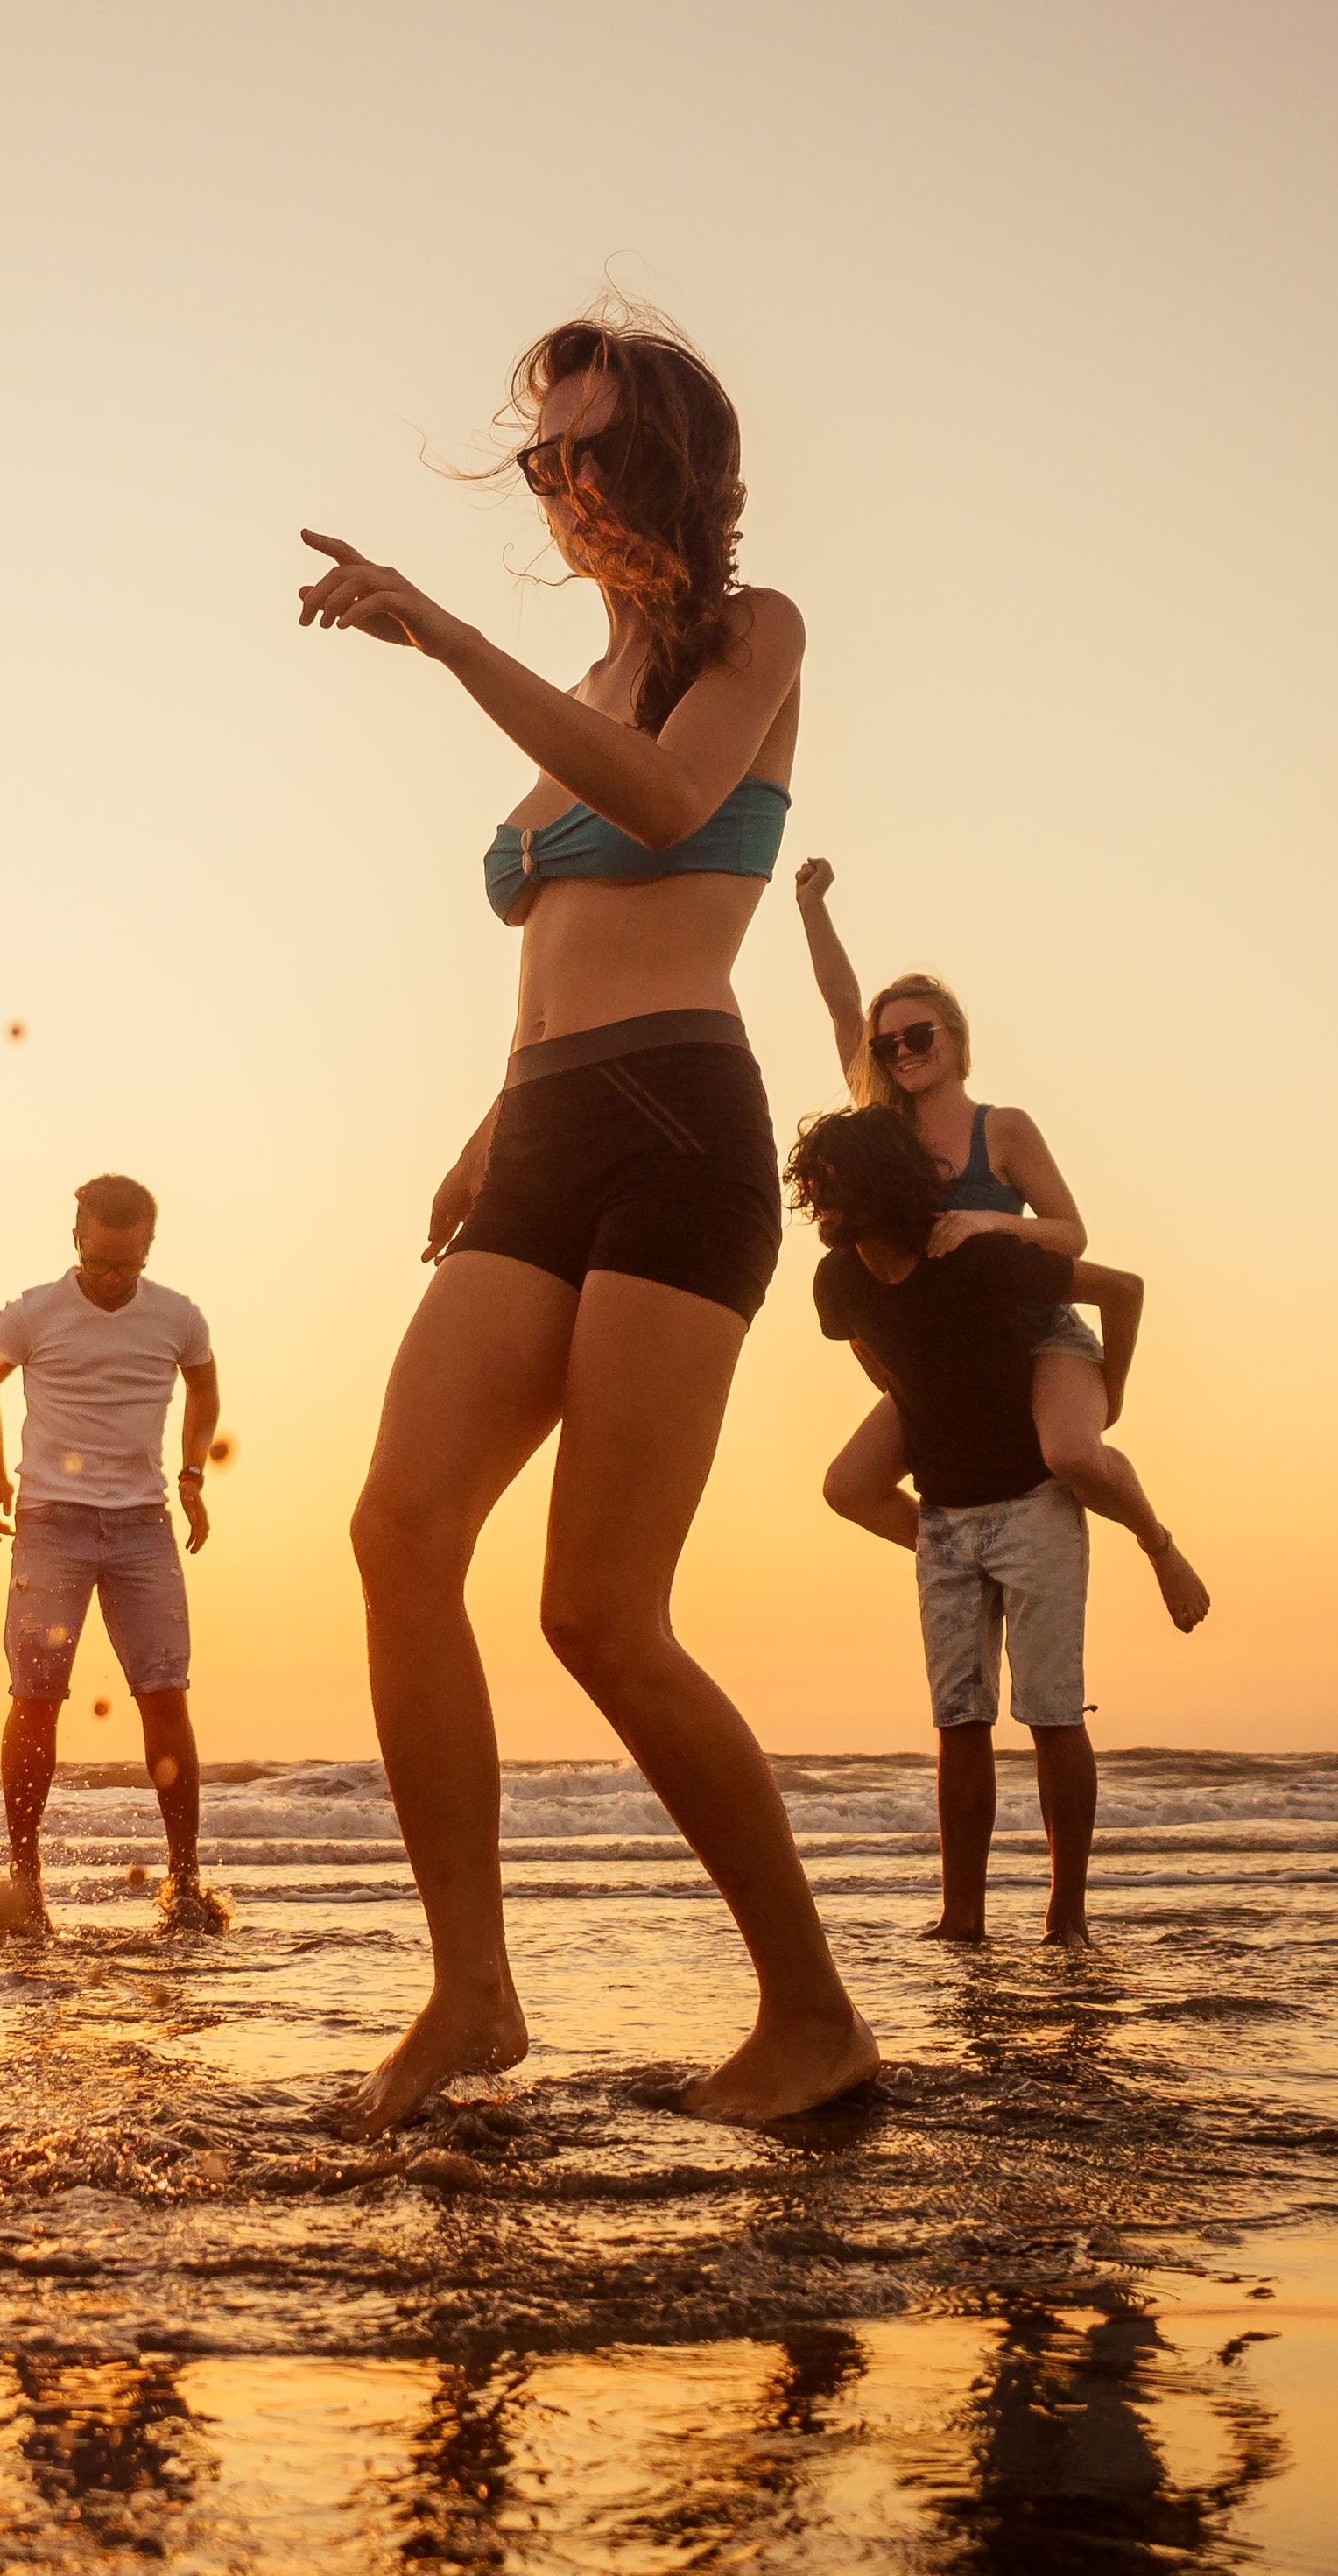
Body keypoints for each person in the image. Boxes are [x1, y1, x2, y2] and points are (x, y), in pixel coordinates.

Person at [292, 302, 880, 2129]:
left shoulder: (749, 640)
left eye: (594, 447)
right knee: (398, 1532)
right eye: (544, 454)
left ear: (679, 465)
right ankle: (470, 1993)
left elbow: (667, 799)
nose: (563, 481)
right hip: (539, 1137)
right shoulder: (584, 674)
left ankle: (812, 2014)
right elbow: (555, 934)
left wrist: (441, 633)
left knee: (602, 1615)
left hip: (679, 1129)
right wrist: (488, 1121)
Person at [785, 1106, 1184, 1942]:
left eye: (834, 1184)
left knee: (1051, 1713)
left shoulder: (975, 1254)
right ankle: (960, 1920)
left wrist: (1112, 1394)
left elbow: (1121, 1290)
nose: (819, 1201)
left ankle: (1065, 1918)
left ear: (882, 1182)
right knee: (958, 1722)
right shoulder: (839, 1284)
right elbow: (870, 1349)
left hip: (1035, 1501)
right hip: (945, 1518)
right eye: (811, 1186)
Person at [791, 863, 1208, 1630]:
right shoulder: (885, 1134)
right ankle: (955, 1557)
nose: (903, 1051)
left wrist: (992, 1224)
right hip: (946, 1357)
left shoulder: (1001, 1127)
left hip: (1037, 1329)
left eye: (920, 1034)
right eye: (889, 1045)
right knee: (848, 1485)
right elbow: (843, 1005)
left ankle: (1158, 1543)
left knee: (1074, 1458)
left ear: (956, 1038)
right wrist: (811, 907)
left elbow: (1072, 1234)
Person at [0, 1174, 225, 1937]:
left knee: (165, 1694)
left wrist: (194, 1470)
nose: (112, 1280)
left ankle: (184, 1883)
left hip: (143, 1524)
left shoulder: (178, 1317)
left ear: (148, 1247)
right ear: (77, 1236)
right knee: (35, 1696)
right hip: (52, 1524)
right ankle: (26, 1884)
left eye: (128, 1266)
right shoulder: (34, 1313)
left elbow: (205, 1389)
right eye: (101, 1263)